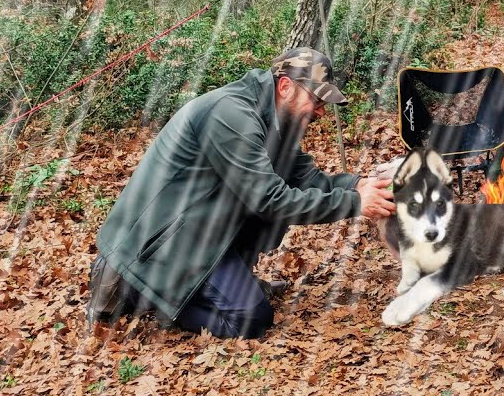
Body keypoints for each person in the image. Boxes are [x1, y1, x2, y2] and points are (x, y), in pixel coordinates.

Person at [86, 47, 398, 338]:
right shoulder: (232, 114)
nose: (320, 112)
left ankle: (192, 287)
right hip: (160, 242)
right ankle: (151, 295)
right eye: (316, 101)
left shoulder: (273, 118)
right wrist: (354, 203)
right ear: (286, 87)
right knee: (251, 319)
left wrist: (356, 184)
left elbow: (302, 175)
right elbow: (269, 199)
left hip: (199, 232)